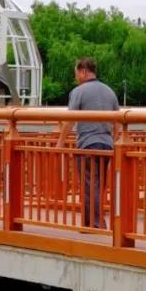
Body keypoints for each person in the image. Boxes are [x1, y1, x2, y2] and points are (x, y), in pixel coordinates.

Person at [56, 58, 120, 229]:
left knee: (89, 185)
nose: (76, 77)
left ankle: (95, 223)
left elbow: (70, 120)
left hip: (87, 144)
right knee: (99, 185)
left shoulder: (79, 91)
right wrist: (115, 142)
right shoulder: (109, 91)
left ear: (83, 71)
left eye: (76, 73)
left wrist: (61, 142)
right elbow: (118, 123)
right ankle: (90, 222)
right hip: (107, 144)